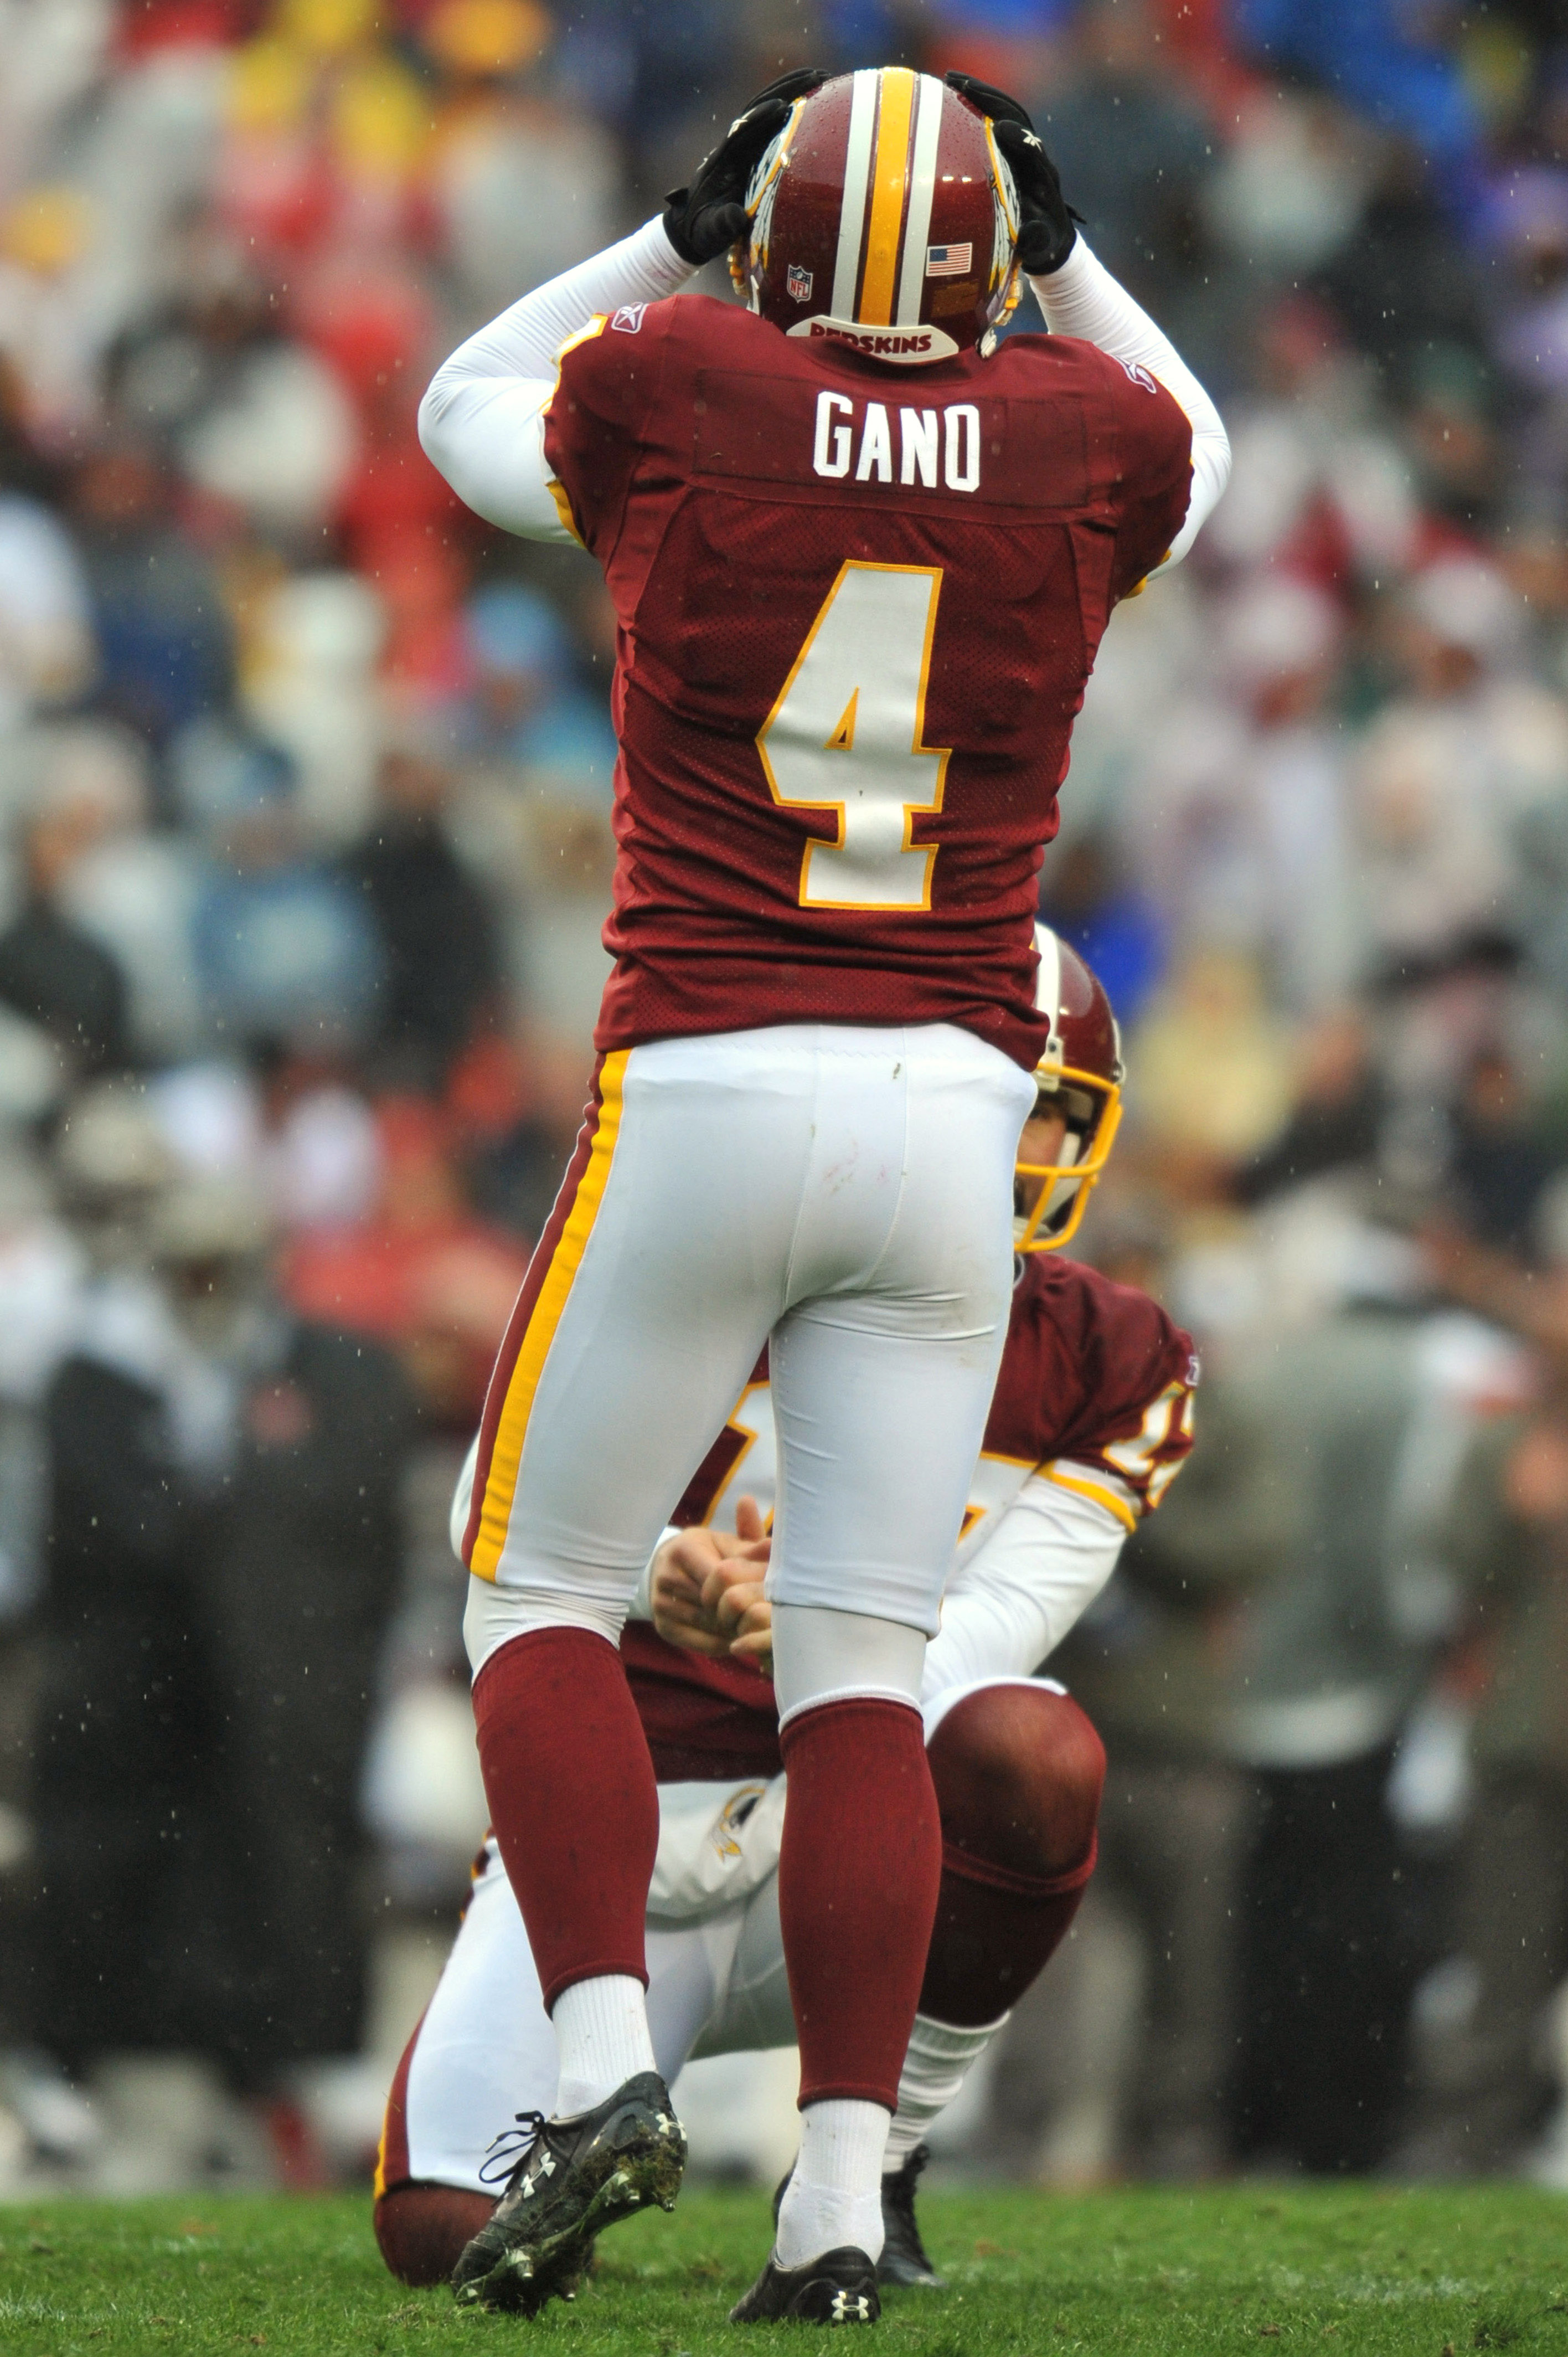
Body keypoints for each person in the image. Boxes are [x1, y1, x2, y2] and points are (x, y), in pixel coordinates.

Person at [417, 64, 1227, 2319]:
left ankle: (604, 2067)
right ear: (995, 267)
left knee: (534, 1589)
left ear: (764, 255)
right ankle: (847, 2192)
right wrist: (1065, 251)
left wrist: (675, 234)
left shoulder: (678, 378)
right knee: (867, 1672)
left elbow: (464, 399)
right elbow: (1204, 443)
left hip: (706, 1061)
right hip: (957, 1101)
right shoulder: (1082, 432)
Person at [373, 934, 1196, 2296]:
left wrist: (832, 1622)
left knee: (1035, 1756)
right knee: (444, 2232)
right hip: (629, 1839)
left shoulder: (1113, 1360)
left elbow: (998, 1634)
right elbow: (490, 1515)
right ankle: (612, 2104)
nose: (1020, 1132)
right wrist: (661, 1572)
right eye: (1001, 1087)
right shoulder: (709, 1254)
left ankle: (877, 2161)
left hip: (852, 1824)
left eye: (1048, 1104)